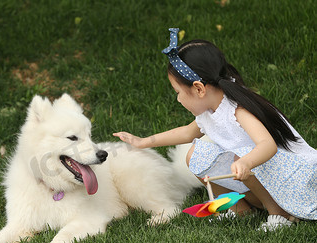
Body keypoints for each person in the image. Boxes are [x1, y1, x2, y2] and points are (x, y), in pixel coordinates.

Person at [113, 28, 317, 231]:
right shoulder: (209, 112)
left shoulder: (238, 109)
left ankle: (279, 213)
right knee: (195, 155)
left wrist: (246, 161)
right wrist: (143, 141)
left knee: (242, 155)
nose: (177, 99)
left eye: (178, 92)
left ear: (199, 89)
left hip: (295, 179)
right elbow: (186, 133)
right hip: (259, 179)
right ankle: (238, 208)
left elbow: (267, 145)